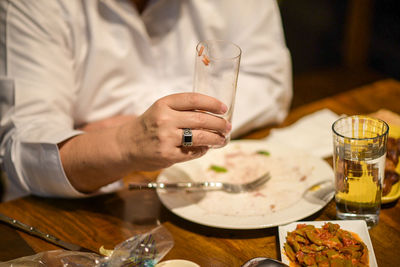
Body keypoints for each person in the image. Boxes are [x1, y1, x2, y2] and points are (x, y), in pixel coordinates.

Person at [0, 0, 292, 201]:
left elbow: (270, 82)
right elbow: (24, 152)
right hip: (74, 213)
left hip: (202, 186)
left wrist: (103, 137)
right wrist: (125, 143)